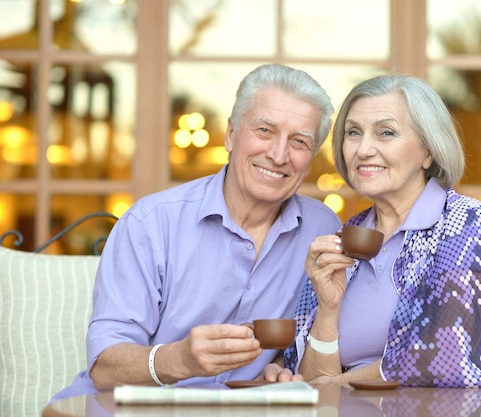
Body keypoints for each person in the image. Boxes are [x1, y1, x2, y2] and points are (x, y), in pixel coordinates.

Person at [51, 63, 341, 401]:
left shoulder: (323, 230)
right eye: (264, 130)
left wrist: (276, 364)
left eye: (300, 142)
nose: (278, 155)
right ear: (231, 134)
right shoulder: (151, 223)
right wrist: (180, 359)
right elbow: (104, 366)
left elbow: (309, 333)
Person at [284, 74, 481, 391]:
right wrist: (328, 307)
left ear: (427, 152)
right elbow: (312, 384)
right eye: (353, 132)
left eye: (386, 132)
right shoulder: (349, 236)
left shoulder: (466, 224)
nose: (364, 149)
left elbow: (440, 360)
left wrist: (335, 385)